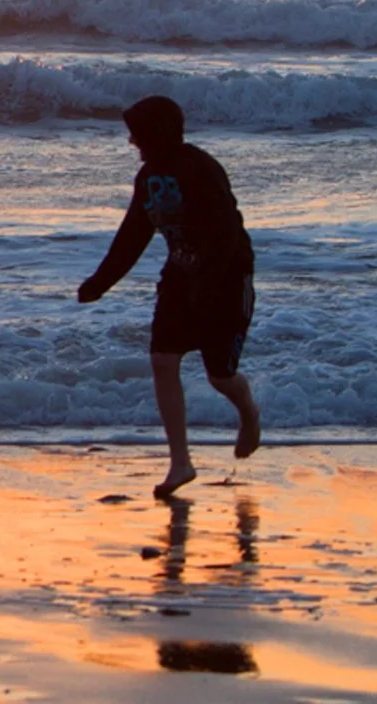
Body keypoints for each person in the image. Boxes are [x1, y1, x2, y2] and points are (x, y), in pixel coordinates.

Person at [78, 96, 261, 499]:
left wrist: (208, 286)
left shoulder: (201, 168)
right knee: (163, 361)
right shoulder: (147, 180)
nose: (132, 142)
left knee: (220, 375)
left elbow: (228, 234)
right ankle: (181, 462)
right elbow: (133, 235)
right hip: (180, 275)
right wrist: (100, 282)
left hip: (227, 277)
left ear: (159, 134)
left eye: (138, 134)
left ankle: (248, 411)